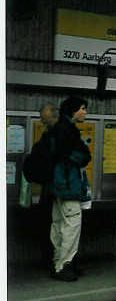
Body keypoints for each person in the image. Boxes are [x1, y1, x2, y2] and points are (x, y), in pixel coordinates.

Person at [48, 96, 91, 281]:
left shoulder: (57, 129)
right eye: (82, 108)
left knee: (58, 225)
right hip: (67, 185)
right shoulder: (68, 131)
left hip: (57, 186)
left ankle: (58, 263)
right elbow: (78, 156)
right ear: (73, 111)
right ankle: (65, 265)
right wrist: (83, 155)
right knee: (72, 224)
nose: (85, 112)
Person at [36, 102, 59, 270]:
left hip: (53, 187)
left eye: (45, 119)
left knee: (53, 225)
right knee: (50, 224)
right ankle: (50, 258)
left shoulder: (55, 135)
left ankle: (52, 259)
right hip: (50, 186)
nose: (43, 123)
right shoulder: (50, 134)